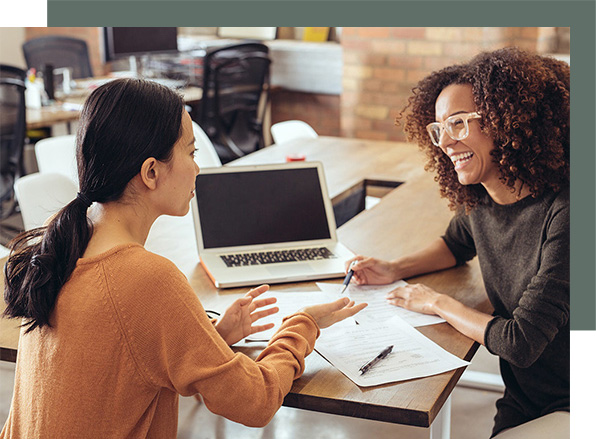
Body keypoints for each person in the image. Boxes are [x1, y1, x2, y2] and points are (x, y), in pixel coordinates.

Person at [1, 78, 366, 438]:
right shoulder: (146, 278)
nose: (197, 168)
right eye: (191, 154)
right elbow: (255, 401)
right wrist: (302, 325)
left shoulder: (64, 234)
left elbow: (122, 361)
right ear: (151, 172)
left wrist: (212, 337)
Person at [347, 47, 569, 438]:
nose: (446, 142)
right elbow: (455, 244)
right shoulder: (484, 199)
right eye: (439, 129)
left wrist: (436, 302)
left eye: (460, 123)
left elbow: (519, 342)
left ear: (509, 121)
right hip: (526, 397)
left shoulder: (569, 214)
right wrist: (395, 268)